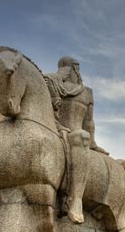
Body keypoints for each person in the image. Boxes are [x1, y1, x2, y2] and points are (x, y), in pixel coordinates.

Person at [44, 57, 107, 223]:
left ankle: (76, 198)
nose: (74, 72)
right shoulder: (50, 81)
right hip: (52, 127)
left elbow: (88, 122)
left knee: (81, 136)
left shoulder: (87, 92)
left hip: (75, 133)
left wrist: (93, 143)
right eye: (74, 68)